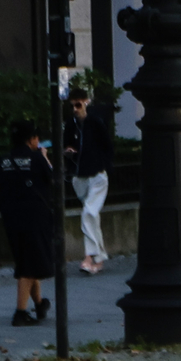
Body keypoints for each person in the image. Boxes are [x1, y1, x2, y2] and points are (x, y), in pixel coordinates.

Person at [0, 120, 59, 325]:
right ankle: (20, 312)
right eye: (36, 137)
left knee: (27, 260)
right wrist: (45, 158)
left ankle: (40, 304)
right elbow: (55, 180)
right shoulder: (36, 158)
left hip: (11, 218)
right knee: (30, 266)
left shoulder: (2, 161)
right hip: (36, 216)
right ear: (31, 139)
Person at [71, 91, 114, 275]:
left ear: (86, 103)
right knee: (92, 215)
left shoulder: (96, 122)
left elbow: (107, 145)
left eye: (78, 105)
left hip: (96, 174)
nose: (74, 109)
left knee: (88, 212)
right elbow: (67, 142)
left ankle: (89, 256)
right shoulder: (71, 124)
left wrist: (103, 165)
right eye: (72, 105)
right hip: (80, 175)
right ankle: (99, 258)